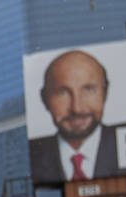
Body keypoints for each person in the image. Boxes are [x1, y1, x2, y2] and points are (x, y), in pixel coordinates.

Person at [29, 49, 117, 184]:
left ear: (105, 92)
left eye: (88, 89)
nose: (77, 108)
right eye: (63, 92)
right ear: (44, 99)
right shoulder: (31, 160)